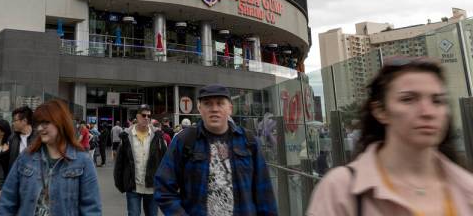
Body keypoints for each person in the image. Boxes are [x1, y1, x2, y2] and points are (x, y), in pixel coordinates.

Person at [307, 58, 473, 215]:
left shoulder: (466, 188)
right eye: (408, 99)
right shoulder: (340, 190)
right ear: (380, 111)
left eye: (437, 101)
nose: (427, 112)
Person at [154, 85, 277, 215]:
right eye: (207, 104)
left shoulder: (248, 141)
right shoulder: (185, 140)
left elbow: (265, 194)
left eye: (220, 103)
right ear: (200, 108)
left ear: (230, 108)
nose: (214, 109)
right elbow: (163, 187)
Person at [0, 99, 102, 215]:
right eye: (38, 124)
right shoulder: (26, 158)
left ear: (60, 122)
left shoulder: (82, 161)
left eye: (45, 123)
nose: (40, 128)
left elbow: (91, 209)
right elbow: (7, 202)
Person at [114, 104, 168, 216]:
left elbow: (165, 161)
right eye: (144, 115)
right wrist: (120, 183)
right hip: (133, 186)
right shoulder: (126, 136)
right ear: (137, 116)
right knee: (133, 214)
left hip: (152, 187)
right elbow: (120, 162)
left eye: (149, 115)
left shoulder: (157, 136)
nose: (147, 118)